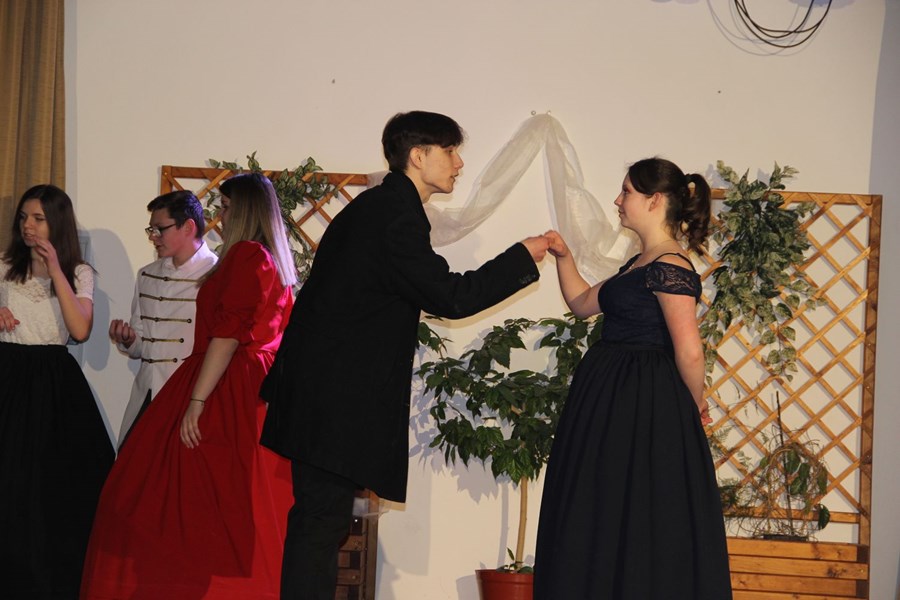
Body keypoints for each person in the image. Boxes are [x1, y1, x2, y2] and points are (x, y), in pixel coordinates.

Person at [259, 110, 550, 599]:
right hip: (331, 397)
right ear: (418, 156)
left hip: (323, 392)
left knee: (321, 523)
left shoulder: (383, 207)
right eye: (450, 151)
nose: (459, 163)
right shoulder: (393, 216)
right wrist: (522, 256)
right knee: (320, 524)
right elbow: (450, 297)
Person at [81, 173, 296, 599]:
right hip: (252, 386)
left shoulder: (246, 255)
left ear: (245, 210)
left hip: (226, 384)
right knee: (231, 504)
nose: (221, 216)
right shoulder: (272, 259)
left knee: (173, 502)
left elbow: (226, 335)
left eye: (227, 207)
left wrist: (197, 400)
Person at [534, 158, 733, 599]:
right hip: (612, 405)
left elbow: (689, 350)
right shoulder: (639, 262)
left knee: (639, 510)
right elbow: (583, 303)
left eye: (626, 192)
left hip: (644, 405)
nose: (618, 200)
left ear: (655, 200)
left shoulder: (671, 265)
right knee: (603, 509)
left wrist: (692, 405)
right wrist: (564, 256)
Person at [0, 184, 115, 599]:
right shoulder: (3, 266)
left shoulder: (80, 272)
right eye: (24, 218)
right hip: (8, 374)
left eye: (38, 218)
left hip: (54, 383)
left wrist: (56, 270)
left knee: (53, 487)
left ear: (57, 223)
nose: (28, 226)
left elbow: (80, 330)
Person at [110, 190, 217, 445]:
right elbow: (141, 346)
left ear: (188, 227)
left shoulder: (217, 274)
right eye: (151, 230)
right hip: (147, 394)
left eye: (160, 229)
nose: (153, 237)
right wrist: (128, 340)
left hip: (189, 396)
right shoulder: (147, 275)